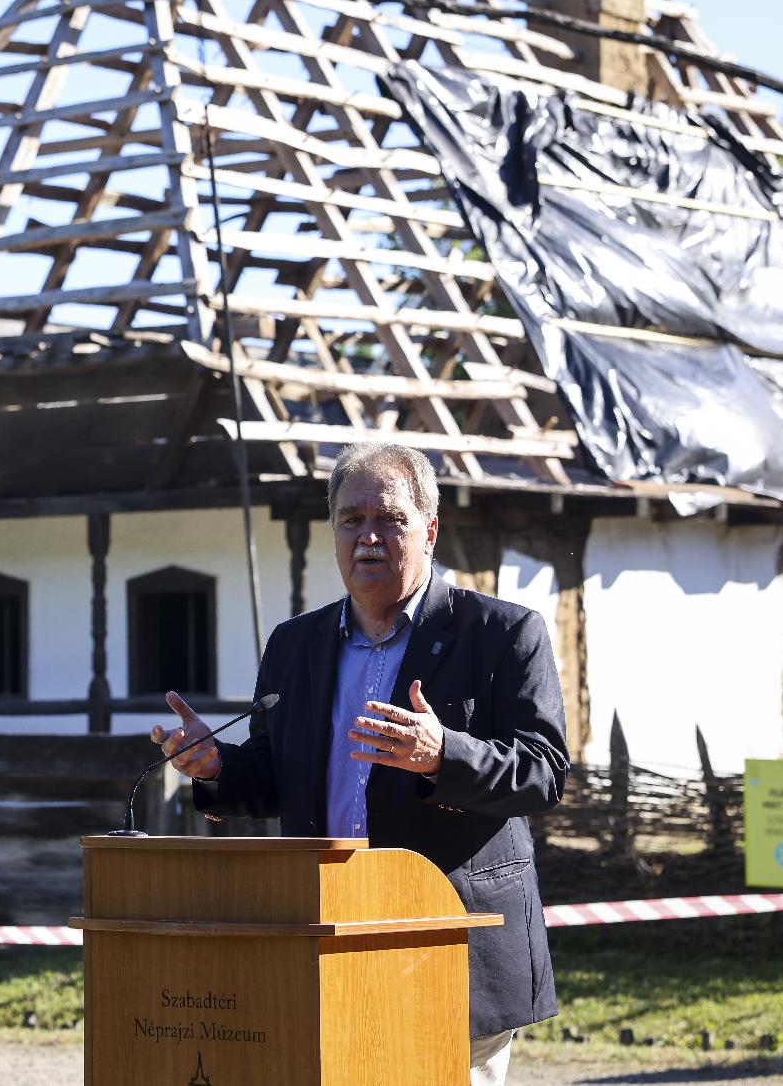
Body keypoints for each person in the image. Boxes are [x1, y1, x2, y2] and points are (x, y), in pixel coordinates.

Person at [152, 442, 568, 1086]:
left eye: (389, 519)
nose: (368, 537)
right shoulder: (295, 644)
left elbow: (543, 772)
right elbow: (274, 776)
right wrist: (217, 769)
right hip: (327, 934)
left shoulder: (501, 634)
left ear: (428, 530)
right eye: (351, 520)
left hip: (448, 940)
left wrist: (444, 754)